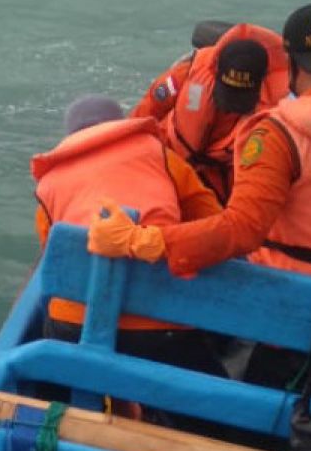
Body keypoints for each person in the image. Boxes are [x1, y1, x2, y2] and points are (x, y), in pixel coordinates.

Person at [88, 3, 311, 304]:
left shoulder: (278, 133)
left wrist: (143, 240)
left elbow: (243, 229)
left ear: (291, 61)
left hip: (285, 309)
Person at [32, 94, 227, 375]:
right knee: (210, 401)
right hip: (160, 322)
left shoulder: (48, 183)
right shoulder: (159, 154)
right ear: (121, 125)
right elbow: (212, 220)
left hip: (75, 324)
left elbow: (55, 255)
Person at [130, 23, 291, 204]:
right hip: (167, 163)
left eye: (241, 96)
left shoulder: (282, 105)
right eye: (228, 92)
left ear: (263, 81)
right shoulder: (187, 73)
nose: (230, 106)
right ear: (215, 71)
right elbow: (144, 115)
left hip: (226, 185)